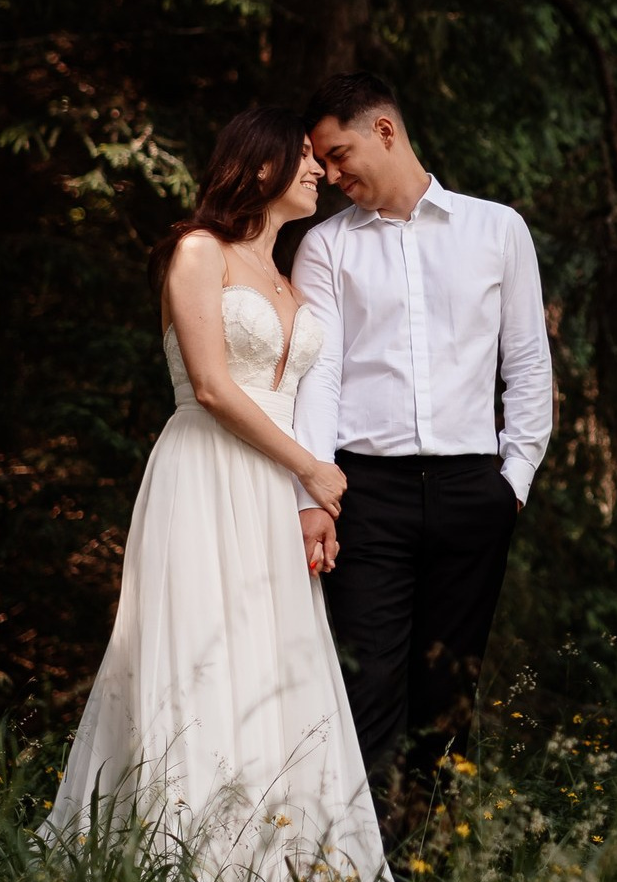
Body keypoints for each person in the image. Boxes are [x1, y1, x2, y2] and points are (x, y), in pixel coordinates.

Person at [44, 107, 387, 879]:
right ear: (261, 166)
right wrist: (312, 468)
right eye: (305, 156)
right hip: (205, 469)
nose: (319, 171)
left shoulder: (289, 278)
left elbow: (301, 395)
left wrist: (310, 500)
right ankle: (187, 850)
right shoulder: (199, 250)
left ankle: (279, 849)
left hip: (273, 489)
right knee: (200, 651)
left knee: (271, 659)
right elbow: (211, 386)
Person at [289, 72, 553, 811]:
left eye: (338, 154)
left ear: (384, 131)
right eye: (322, 162)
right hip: (366, 495)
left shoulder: (498, 229)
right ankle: (358, 856)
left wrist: (514, 480)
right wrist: (316, 489)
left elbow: (528, 361)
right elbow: (321, 376)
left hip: (474, 493)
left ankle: (426, 856)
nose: (330, 175)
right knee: (365, 688)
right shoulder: (325, 247)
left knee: (448, 697)